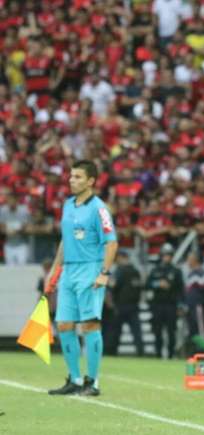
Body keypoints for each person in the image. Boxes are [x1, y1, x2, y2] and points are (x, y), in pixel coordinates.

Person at [46, 160, 118, 396]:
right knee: (64, 324)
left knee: (89, 324)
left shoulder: (99, 208)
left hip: (90, 269)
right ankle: (75, 380)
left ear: (91, 181)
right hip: (68, 270)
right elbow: (65, 241)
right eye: (71, 176)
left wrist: (104, 273)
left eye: (77, 177)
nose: (71, 180)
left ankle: (93, 382)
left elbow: (112, 242)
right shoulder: (68, 205)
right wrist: (54, 272)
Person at [146, 244, 184, 358]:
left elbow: (180, 289)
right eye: (165, 255)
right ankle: (158, 354)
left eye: (169, 255)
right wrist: (158, 284)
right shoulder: (155, 270)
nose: (167, 257)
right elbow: (147, 285)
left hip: (171, 305)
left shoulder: (176, 271)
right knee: (157, 330)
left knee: (171, 331)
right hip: (157, 305)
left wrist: (180, 305)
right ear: (161, 256)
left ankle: (171, 355)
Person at [106, 250, 145, 356]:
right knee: (136, 331)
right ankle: (140, 352)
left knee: (115, 331)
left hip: (120, 305)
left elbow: (112, 286)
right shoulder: (135, 271)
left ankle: (112, 352)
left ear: (121, 257)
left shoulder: (119, 271)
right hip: (133, 306)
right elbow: (140, 287)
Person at [183, 252, 204, 352]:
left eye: (190, 259)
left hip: (198, 306)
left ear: (196, 260)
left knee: (201, 329)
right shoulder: (190, 273)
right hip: (190, 306)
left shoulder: (201, 273)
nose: (188, 261)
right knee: (192, 329)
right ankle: (195, 351)